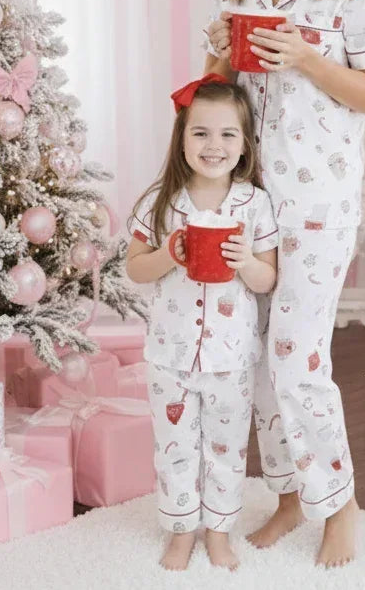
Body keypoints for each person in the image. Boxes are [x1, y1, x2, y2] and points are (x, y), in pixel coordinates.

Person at [203, 0, 365, 568]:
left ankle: (339, 502)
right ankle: (287, 494)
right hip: (249, 194)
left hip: (318, 201)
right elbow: (229, 94)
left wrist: (309, 59)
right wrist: (223, 60)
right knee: (252, 355)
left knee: (295, 354)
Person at [126, 75, 278, 572]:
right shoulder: (161, 202)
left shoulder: (254, 204)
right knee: (174, 448)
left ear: (244, 144)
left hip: (229, 359)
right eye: (201, 133)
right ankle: (179, 530)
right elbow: (134, 268)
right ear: (182, 138)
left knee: (225, 448)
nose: (214, 145)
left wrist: (244, 263)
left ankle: (217, 530)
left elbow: (266, 278)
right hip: (169, 355)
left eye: (227, 135)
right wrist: (169, 254)